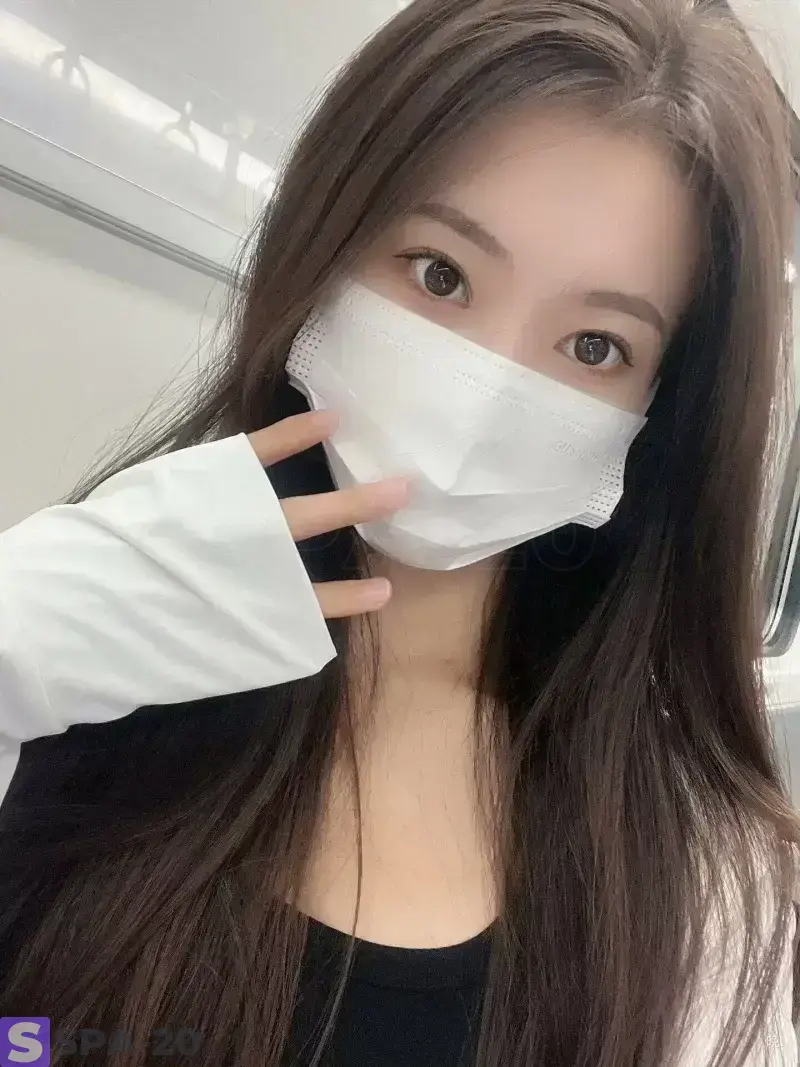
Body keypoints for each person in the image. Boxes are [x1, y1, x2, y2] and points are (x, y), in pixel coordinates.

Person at [0, 0, 798, 1063]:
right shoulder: (81, 651)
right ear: (326, 247)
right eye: (439, 274)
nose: (482, 394)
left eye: (594, 345)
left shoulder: (699, 869)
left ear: (657, 416)